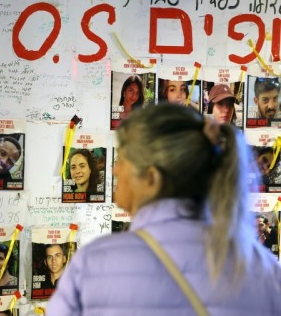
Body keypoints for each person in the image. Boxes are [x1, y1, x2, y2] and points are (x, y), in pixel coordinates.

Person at [47, 104, 281, 315]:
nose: (116, 170)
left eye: (123, 160)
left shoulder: (93, 265)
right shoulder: (268, 272)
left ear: (151, 178)